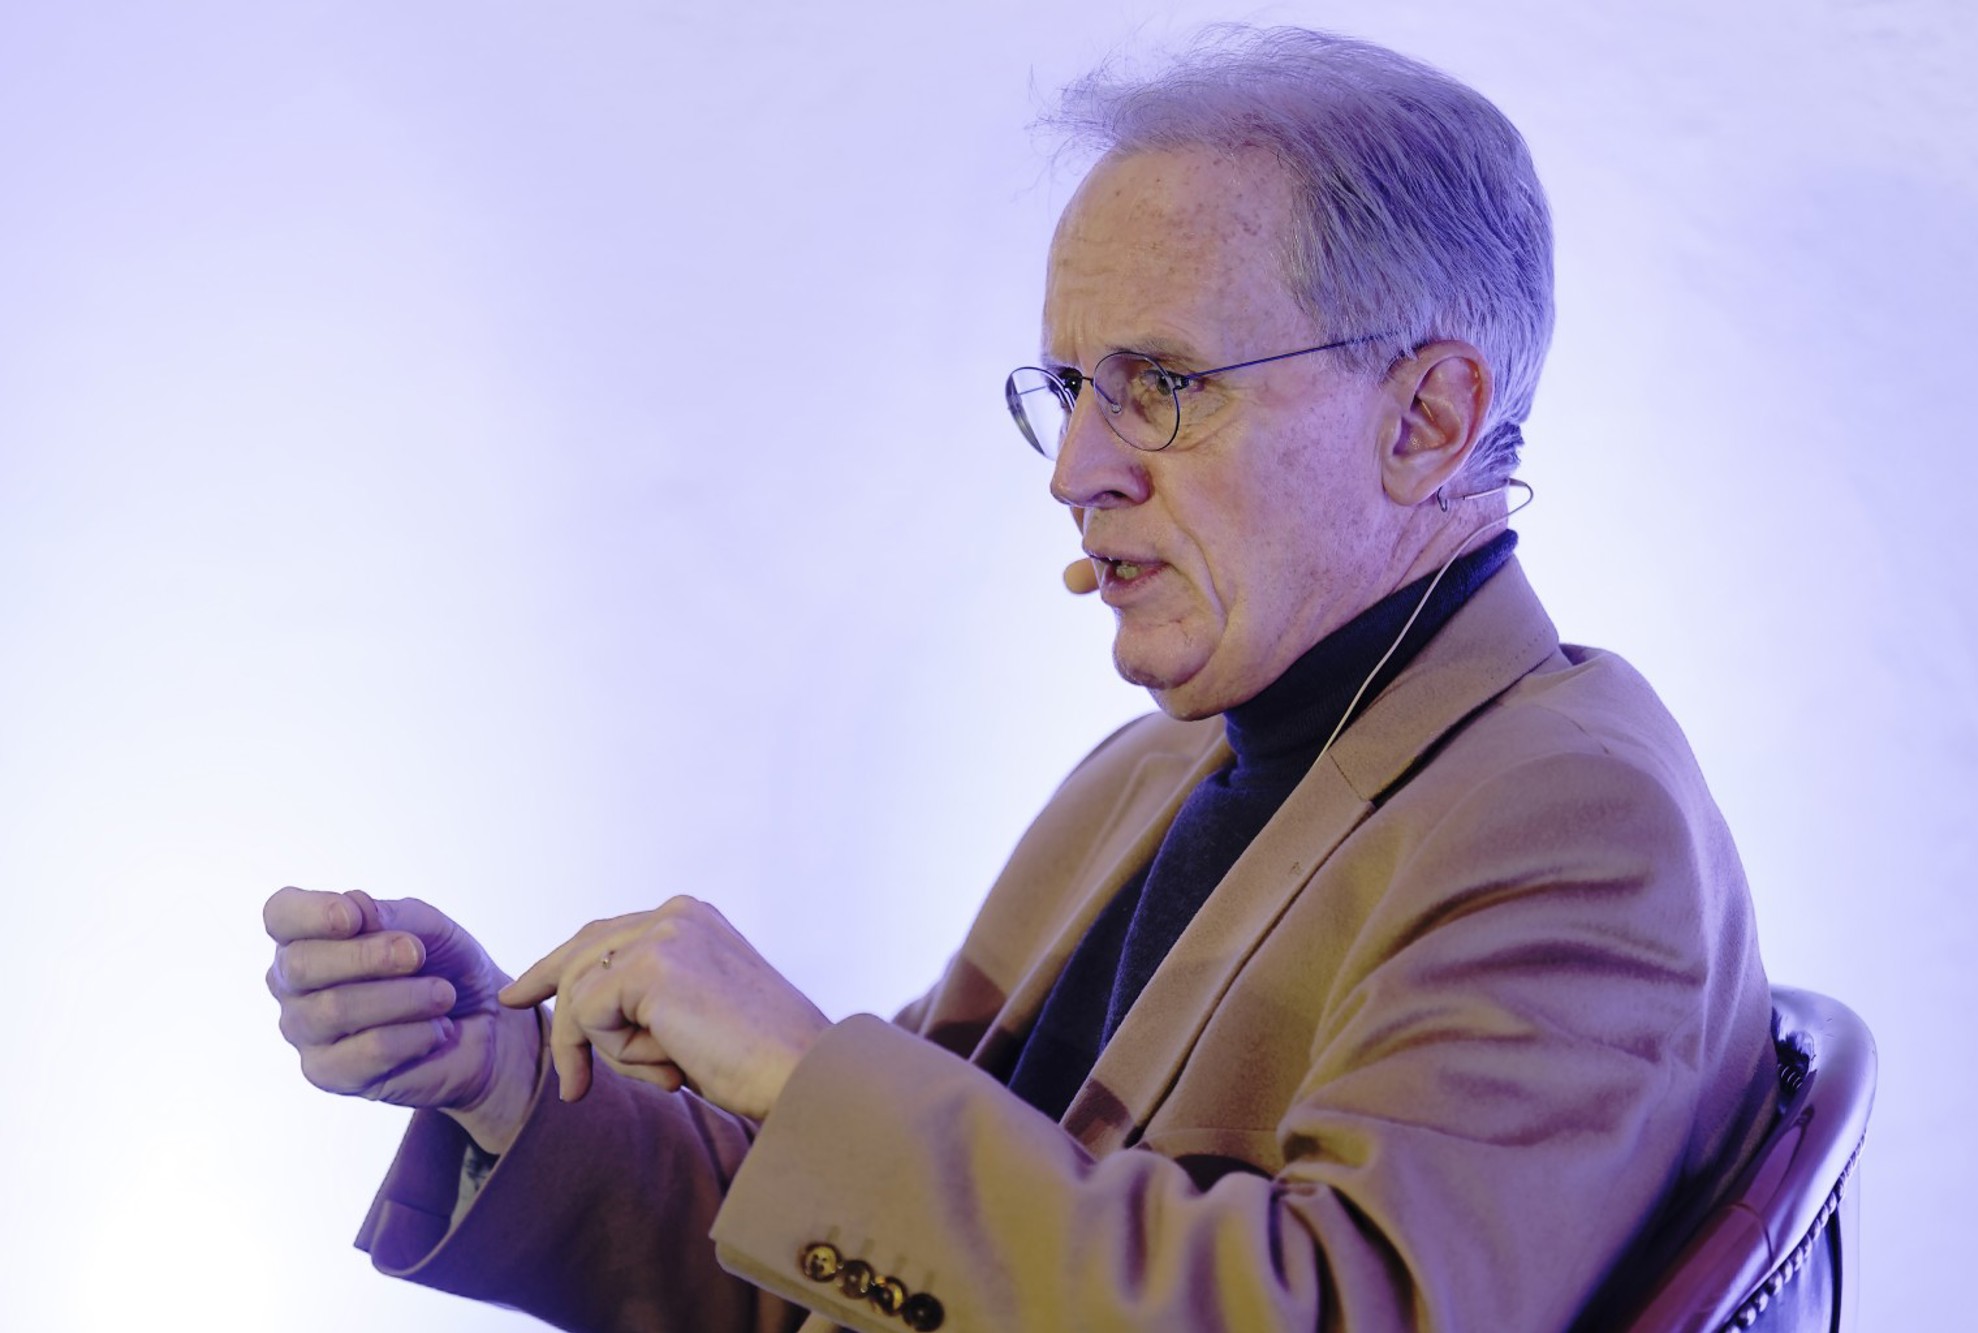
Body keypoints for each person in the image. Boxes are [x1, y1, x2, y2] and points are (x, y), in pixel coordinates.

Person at [266, 28, 1778, 1332]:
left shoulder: (1569, 816)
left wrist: (808, 1070)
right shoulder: (1154, 769)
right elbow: (868, 1268)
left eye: (1162, 385)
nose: (1076, 470)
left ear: (1428, 419)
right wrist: (501, 1080)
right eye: (1070, 389)